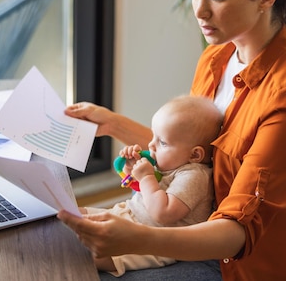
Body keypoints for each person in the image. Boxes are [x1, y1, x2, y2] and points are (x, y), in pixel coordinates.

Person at [58, 0, 286, 281]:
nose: (200, 12)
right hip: (182, 231)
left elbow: (236, 234)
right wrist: (112, 123)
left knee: (66, 269)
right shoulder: (217, 58)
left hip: (229, 264)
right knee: (50, 240)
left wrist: (137, 239)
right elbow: (193, 157)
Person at [83, 95, 222, 277]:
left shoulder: (195, 176)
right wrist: (132, 169)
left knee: (87, 255)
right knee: (76, 213)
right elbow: (144, 192)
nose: (151, 145)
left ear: (195, 155)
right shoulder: (171, 163)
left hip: (151, 242)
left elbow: (162, 212)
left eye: (162, 142)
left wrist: (147, 176)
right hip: (129, 216)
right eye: (154, 136)